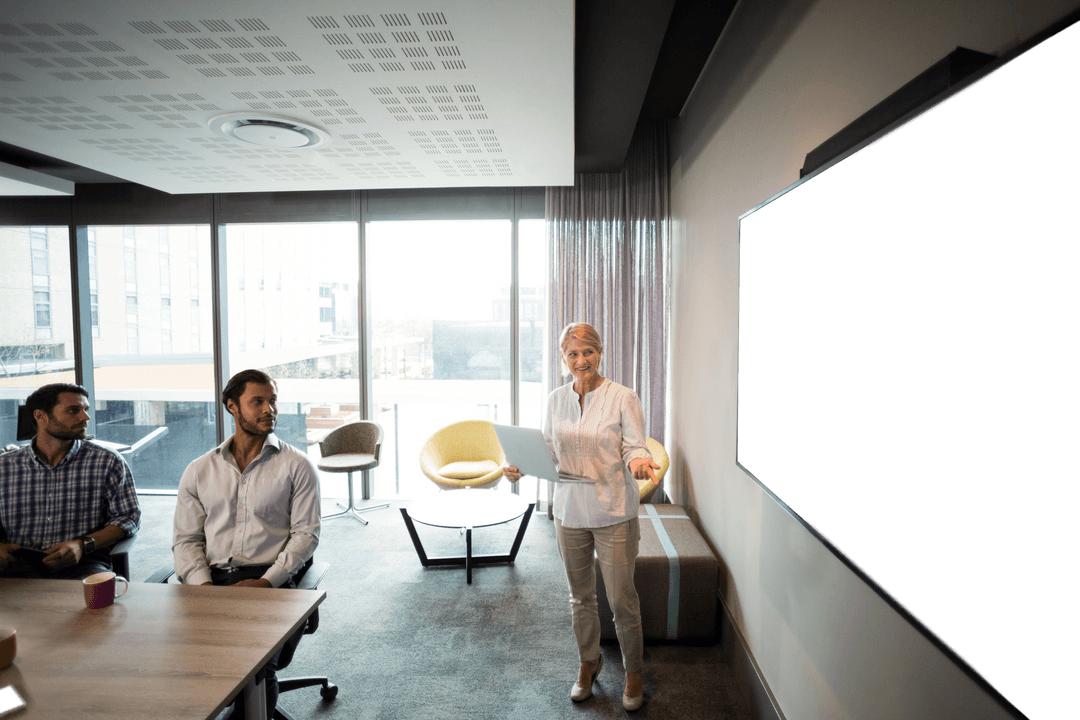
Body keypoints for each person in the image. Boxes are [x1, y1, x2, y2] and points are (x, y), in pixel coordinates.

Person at [504, 322, 660, 711]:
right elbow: (550, 450)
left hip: (613, 510)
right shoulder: (557, 399)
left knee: (622, 600)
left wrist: (639, 460)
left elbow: (634, 445)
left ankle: (634, 671)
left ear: (600, 351)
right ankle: (589, 662)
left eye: (587, 351)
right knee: (580, 598)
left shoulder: (623, 397)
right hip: (569, 510)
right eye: (572, 354)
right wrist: (521, 464)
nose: (580, 360)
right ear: (563, 359)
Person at [173, 368, 321, 717]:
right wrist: (201, 586)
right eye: (257, 401)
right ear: (232, 407)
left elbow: (306, 535)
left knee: (253, 661)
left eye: (272, 401)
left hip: (270, 580)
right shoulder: (199, 470)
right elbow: (186, 539)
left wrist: (267, 581)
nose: (269, 409)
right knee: (179, 659)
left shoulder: (297, 466)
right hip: (211, 579)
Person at [0, 383, 141, 579]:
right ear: (40, 416)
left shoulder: (106, 460)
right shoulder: (4, 467)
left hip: (83, 563)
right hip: (14, 566)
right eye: (73, 410)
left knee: (95, 606)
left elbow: (128, 517)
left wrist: (82, 545)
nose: (85, 417)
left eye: (85, 410)